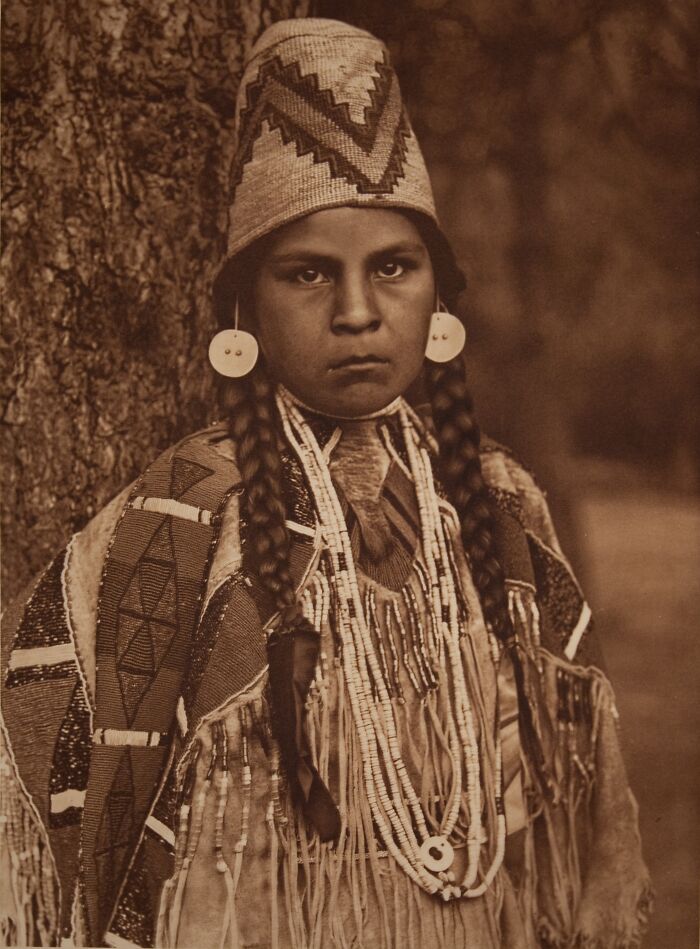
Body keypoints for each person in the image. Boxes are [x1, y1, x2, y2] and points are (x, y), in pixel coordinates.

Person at [0, 18, 651, 949]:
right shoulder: (183, 514)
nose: (357, 312)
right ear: (246, 307)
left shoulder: (499, 503)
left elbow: (580, 766)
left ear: (437, 295)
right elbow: (43, 762)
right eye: (309, 274)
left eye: (393, 266)